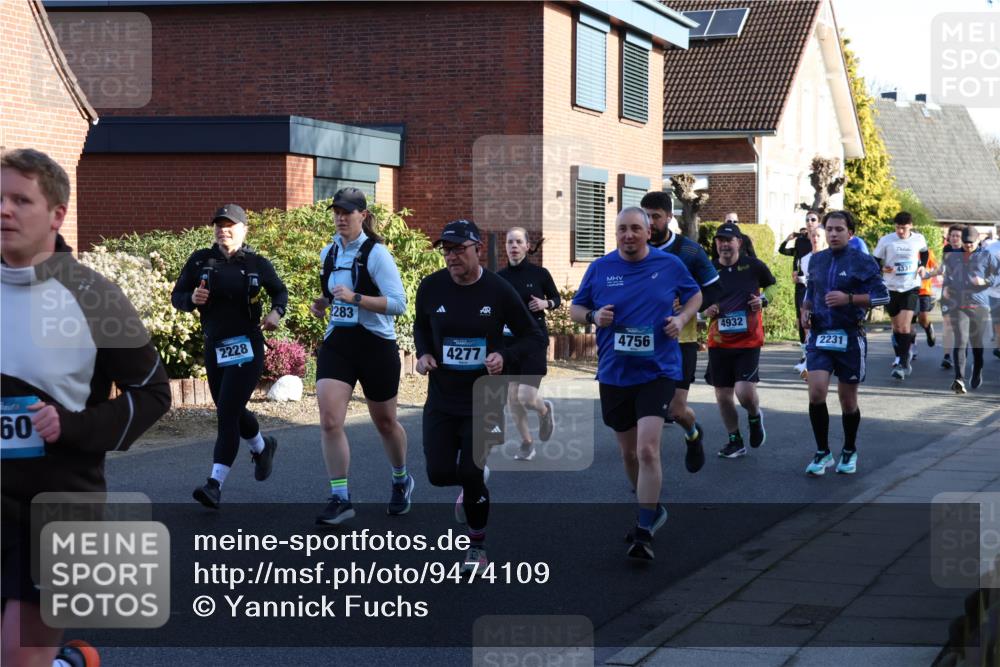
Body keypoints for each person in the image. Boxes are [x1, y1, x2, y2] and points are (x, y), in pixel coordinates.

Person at [2, 148, 171, 666]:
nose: (4, 210)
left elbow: (154, 393)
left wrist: (71, 426)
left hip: (61, 506)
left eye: (20, 200)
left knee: (16, 657)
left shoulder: (94, 298)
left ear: (56, 215)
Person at [414, 219, 546, 573]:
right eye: (446, 250)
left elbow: (534, 337)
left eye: (458, 249)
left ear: (477, 250)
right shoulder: (431, 287)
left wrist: (505, 356)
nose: (451, 257)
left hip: (484, 398)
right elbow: (422, 328)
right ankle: (473, 481)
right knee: (439, 473)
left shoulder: (499, 291)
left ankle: (477, 545)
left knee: (470, 471)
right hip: (442, 397)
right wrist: (424, 353)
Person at [571, 207, 701, 560]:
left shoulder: (669, 265)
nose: (628, 235)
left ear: (648, 232)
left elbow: (695, 294)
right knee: (628, 453)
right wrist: (594, 316)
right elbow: (576, 308)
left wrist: (683, 317)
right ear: (616, 234)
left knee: (647, 449)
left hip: (658, 371)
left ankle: (643, 529)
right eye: (621, 229)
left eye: (635, 229)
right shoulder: (601, 268)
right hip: (615, 373)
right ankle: (652, 507)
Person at [172, 203, 288, 508]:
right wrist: (191, 299)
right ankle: (262, 448)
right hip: (215, 346)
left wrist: (276, 312)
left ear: (243, 229)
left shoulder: (256, 263)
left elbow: (280, 291)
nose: (223, 230)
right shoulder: (200, 260)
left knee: (226, 413)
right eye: (219, 225)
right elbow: (177, 296)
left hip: (247, 346)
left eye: (230, 225)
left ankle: (214, 484)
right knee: (232, 410)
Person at [309, 188, 410, 524]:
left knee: (385, 422)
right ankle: (340, 497)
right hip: (339, 343)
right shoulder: (328, 252)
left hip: (376, 345)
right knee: (329, 419)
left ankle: (400, 479)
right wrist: (322, 304)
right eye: (336, 211)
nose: (340, 217)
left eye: (347, 212)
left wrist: (356, 299)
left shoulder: (377, 254)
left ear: (363, 216)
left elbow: (398, 304)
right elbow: (332, 294)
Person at [800, 210, 889, 476]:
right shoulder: (816, 260)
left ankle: (849, 449)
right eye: (829, 229)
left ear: (850, 233)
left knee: (847, 400)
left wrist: (849, 299)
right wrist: (805, 310)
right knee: (816, 393)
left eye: (839, 229)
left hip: (850, 335)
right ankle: (822, 452)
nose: (833, 234)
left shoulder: (863, 261)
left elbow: (883, 297)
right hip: (820, 335)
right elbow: (811, 292)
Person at [641, 191, 720, 473]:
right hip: (642, 340)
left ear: (670, 217)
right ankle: (647, 470)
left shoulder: (689, 251)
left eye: (655, 217)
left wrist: (689, 307)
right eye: (645, 216)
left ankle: (693, 433)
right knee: (645, 410)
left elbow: (713, 288)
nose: (649, 223)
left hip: (680, 340)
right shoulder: (634, 248)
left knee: (675, 411)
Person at [702, 222, 777, 458]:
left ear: (739, 243)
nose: (724, 244)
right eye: (719, 240)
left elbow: (773, 286)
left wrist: (763, 299)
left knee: (744, 393)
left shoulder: (753, 266)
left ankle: (754, 415)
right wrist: (706, 309)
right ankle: (735, 440)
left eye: (728, 239)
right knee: (723, 396)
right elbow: (698, 298)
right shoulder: (709, 270)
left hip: (748, 341)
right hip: (718, 342)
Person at [497, 227, 559, 462]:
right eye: (509, 242)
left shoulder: (540, 274)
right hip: (509, 343)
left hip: (534, 340)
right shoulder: (500, 277)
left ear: (526, 246)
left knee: (525, 396)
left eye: (518, 242)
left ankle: (544, 411)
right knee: (512, 398)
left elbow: (557, 299)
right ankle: (527, 443)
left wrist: (546, 304)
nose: (513, 246)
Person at [941, 226, 1000, 393]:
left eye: (971, 243)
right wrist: (946, 287)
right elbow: (948, 276)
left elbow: (997, 275)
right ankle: (959, 379)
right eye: (965, 243)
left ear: (977, 241)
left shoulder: (987, 255)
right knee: (961, 340)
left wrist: (984, 281)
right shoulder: (953, 256)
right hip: (958, 304)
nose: (967, 246)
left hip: (979, 304)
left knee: (976, 344)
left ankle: (977, 369)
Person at [873, 212, 928, 380]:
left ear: (910, 226)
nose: (900, 232)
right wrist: (883, 269)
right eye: (897, 228)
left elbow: (924, 252)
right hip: (891, 287)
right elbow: (875, 260)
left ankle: (904, 364)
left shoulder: (918, 239)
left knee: (904, 327)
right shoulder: (886, 240)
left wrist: (922, 266)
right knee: (896, 327)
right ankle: (900, 357)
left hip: (910, 286)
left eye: (903, 228)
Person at [780, 210, 822, 373]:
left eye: (813, 219)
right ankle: (807, 354)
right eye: (807, 219)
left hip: (819, 287)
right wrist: (798, 275)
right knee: (802, 320)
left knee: (818, 320)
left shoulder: (824, 242)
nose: (809, 222)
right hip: (802, 285)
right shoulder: (801, 243)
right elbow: (789, 255)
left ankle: (819, 352)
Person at [795, 225, 828, 380]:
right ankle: (809, 365)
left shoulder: (831, 257)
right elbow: (808, 282)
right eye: (813, 235)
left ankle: (825, 364)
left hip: (828, 301)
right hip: (810, 298)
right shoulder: (805, 259)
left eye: (819, 236)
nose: (815, 238)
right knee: (809, 332)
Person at [938, 225, 966, 369]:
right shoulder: (946, 249)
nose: (954, 238)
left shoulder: (967, 251)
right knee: (947, 325)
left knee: (960, 326)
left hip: (963, 293)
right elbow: (943, 269)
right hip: (947, 292)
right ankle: (947, 356)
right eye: (952, 235)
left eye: (958, 236)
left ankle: (961, 352)